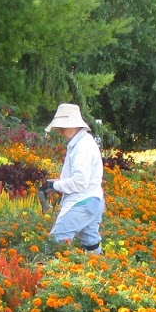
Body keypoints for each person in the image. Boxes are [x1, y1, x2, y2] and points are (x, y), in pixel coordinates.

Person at [44, 102, 104, 254]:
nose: (60, 131)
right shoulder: (83, 142)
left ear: (74, 125)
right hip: (93, 200)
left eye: (63, 127)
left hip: (82, 202)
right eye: (59, 128)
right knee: (91, 245)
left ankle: (49, 269)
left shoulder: (82, 146)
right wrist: (56, 182)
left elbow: (79, 182)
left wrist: (54, 186)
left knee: (55, 244)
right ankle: (100, 267)